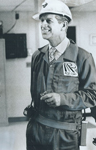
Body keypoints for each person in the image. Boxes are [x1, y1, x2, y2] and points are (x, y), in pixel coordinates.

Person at [26, 0, 96, 150]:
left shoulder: (83, 57)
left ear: (63, 25)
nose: (43, 25)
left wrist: (62, 98)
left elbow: (92, 94)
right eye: (42, 20)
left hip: (65, 135)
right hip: (36, 131)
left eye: (48, 20)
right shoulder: (38, 56)